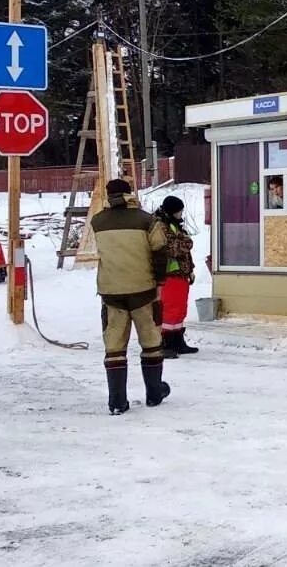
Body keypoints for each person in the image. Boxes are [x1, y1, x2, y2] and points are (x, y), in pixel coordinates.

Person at [91, 178, 171, 415]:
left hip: (111, 293)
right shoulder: (147, 221)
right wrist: (159, 282)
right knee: (150, 341)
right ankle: (154, 393)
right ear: (129, 194)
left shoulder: (97, 222)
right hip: (143, 291)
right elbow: (160, 252)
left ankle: (117, 401)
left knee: (114, 346)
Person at [152, 194, 199, 358]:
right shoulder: (160, 226)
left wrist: (190, 269)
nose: (181, 214)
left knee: (180, 310)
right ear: (172, 211)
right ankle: (164, 342)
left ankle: (178, 340)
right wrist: (186, 242)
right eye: (179, 211)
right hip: (169, 274)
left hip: (181, 274)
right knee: (169, 310)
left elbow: (185, 251)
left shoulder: (174, 225)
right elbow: (172, 248)